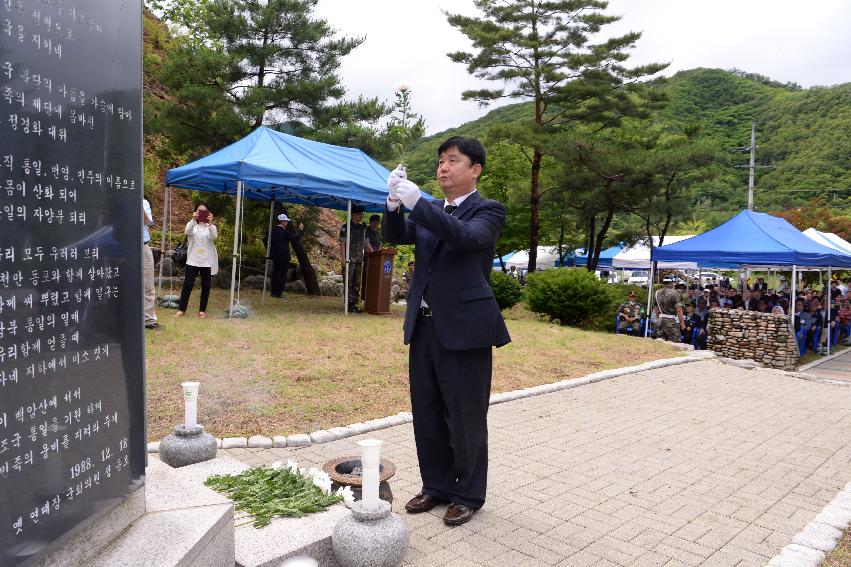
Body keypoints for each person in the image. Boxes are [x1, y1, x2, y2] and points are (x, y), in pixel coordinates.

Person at [382, 136, 510, 527]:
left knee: (466, 415)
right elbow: (394, 235)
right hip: (423, 326)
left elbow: (466, 238)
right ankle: (435, 485)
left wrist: (418, 203)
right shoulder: (431, 209)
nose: (442, 166)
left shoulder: (488, 210)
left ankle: (468, 494)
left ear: (475, 169)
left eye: (452, 160)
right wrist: (392, 204)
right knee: (428, 411)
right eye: (440, 160)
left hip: (466, 330)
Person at [174, 204, 218, 318]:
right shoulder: (192, 225)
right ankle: (181, 309)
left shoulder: (211, 227)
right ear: (195, 212)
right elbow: (187, 232)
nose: (202, 213)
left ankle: (202, 310)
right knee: (188, 285)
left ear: (208, 213)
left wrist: (211, 223)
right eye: (199, 211)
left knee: (206, 286)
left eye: (204, 211)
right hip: (193, 260)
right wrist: (193, 219)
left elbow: (214, 237)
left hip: (206, 261)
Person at [339, 205, 368, 313]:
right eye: (359, 214)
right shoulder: (346, 227)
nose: (361, 216)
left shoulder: (362, 228)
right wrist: (343, 259)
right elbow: (342, 243)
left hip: (359, 259)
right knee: (348, 282)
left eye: (362, 214)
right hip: (349, 260)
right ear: (353, 215)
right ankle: (349, 305)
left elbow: (365, 243)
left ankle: (354, 304)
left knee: (356, 284)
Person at [269, 213, 304, 298]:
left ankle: (273, 292)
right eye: (286, 221)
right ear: (282, 221)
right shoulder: (284, 231)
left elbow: (266, 239)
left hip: (275, 256)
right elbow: (295, 237)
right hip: (283, 256)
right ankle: (279, 292)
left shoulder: (273, 230)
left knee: (275, 273)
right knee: (282, 275)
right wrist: (300, 230)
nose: (287, 223)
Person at [142, 196, 159, 330]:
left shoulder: (143, 202)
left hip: (142, 246)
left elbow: (147, 221)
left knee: (147, 284)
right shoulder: (121, 199)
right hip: (124, 246)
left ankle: (148, 320)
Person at [655, 276, 685, 342]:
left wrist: (657, 318)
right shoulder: (675, 293)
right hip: (672, 322)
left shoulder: (657, 293)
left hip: (660, 320)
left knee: (660, 343)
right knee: (675, 344)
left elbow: (656, 308)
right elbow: (679, 310)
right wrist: (683, 324)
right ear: (672, 282)